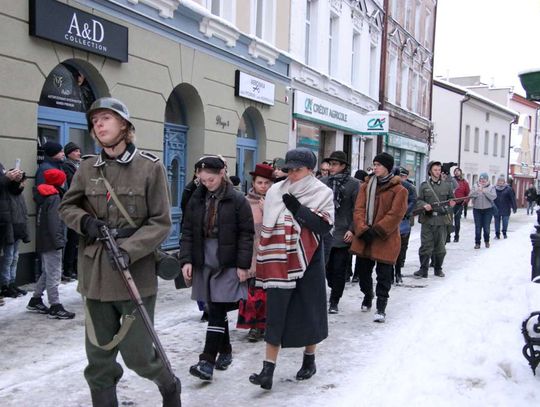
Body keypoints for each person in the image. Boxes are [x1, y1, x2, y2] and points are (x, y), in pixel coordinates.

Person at [58, 97, 181, 406]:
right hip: (96, 274)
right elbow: (67, 206)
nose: (98, 125)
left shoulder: (150, 168)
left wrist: (129, 249)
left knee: (139, 356)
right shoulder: (87, 167)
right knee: (98, 360)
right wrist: (84, 221)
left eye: (106, 119)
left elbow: (160, 222)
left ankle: (169, 384)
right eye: (95, 121)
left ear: (125, 126)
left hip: (133, 273)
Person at [249, 147, 334, 390]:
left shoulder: (322, 192)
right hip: (277, 259)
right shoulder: (277, 189)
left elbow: (323, 226)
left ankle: (309, 360)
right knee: (276, 312)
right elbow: (268, 223)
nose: (293, 173)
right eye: (290, 169)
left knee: (309, 309)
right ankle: (267, 370)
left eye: (298, 169)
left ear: (311, 170)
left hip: (309, 258)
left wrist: (297, 209)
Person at [179, 155, 254, 382]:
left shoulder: (238, 200)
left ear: (222, 173)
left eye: (210, 179)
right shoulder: (196, 198)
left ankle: (207, 361)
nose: (206, 183)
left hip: (227, 259)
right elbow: (188, 231)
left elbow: (246, 234)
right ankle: (227, 350)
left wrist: (243, 265)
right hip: (203, 256)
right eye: (202, 180)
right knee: (213, 307)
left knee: (218, 307)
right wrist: (186, 260)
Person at [350, 153, 407, 323]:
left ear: (387, 167)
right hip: (365, 236)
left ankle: (381, 306)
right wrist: (362, 228)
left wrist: (377, 230)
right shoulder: (366, 186)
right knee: (363, 273)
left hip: (385, 238)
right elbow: (358, 209)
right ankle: (368, 294)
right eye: (374, 164)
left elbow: (396, 214)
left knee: (384, 275)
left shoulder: (399, 190)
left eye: (379, 165)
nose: (375, 168)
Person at [26, 168, 74, 318]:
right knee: (54, 273)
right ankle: (55, 305)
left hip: (45, 239)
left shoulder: (45, 195)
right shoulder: (54, 197)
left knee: (48, 271)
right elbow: (54, 222)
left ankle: (35, 299)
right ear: (59, 181)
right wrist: (59, 240)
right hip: (52, 241)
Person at [237, 163, 274, 342]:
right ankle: (254, 326)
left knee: (269, 293)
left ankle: (269, 325)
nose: (263, 186)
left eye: (267, 183)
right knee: (252, 293)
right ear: (253, 182)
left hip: (271, 253)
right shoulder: (245, 201)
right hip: (251, 254)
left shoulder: (278, 200)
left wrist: (267, 210)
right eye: (260, 182)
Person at [319, 151, 359, 314]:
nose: (331, 167)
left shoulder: (354, 184)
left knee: (339, 269)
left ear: (343, 166)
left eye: (335, 164)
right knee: (326, 269)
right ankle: (332, 287)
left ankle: (334, 300)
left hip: (343, 233)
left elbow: (358, 210)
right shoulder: (322, 182)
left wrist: (352, 229)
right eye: (330, 164)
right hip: (325, 232)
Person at [414, 161, 456, 278]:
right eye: (435, 170)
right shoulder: (424, 186)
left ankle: (438, 269)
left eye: (439, 170)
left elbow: (452, 200)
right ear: (430, 171)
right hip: (427, 220)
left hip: (441, 220)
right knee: (425, 246)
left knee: (440, 247)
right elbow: (419, 200)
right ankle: (423, 269)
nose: (438, 172)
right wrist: (424, 205)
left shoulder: (447, 185)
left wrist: (451, 205)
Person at [1, 162, 29, 298]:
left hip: (17, 226)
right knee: (9, 257)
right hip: (9, 226)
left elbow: (22, 211)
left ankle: (12, 283)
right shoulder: (7, 192)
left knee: (14, 257)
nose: (23, 184)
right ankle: (5, 284)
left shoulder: (17, 193)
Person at [62, 141, 82, 281]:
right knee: (72, 239)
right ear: (69, 153)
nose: (79, 153)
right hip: (73, 207)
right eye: (76, 151)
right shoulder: (67, 166)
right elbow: (73, 184)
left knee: (78, 240)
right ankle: (68, 268)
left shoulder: (78, 165)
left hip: (81, 206)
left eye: (79, 151)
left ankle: (76, 266)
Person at [394, 167, 417, 285]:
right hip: (389, 222)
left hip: (402, 222)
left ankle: (398, 271)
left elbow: (413, 200)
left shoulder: (408, 187)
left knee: (401, 248)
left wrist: (403, 212)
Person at [470, 172, 497, 249]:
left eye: (484, 180)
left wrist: (484, 191)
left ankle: (487, 241)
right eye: (481, 180)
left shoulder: (491, 187)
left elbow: (493, 197)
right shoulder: (475, 186)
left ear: (487, 180)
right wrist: (477, 191)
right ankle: (477, 243)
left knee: (486, 227)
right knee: (478, 227)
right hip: (477, 209)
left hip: (488, 209)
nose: (482, 181)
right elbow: (470, 195)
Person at [452, 167, 470, 242]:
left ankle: (456, 236)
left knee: (457, 220)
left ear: (461, 172)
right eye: (455, 171)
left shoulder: (464, 182)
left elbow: (468, 193)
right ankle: (448, 236)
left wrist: (465, 201)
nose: (456, 172)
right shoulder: (451, 181)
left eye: (458, 171)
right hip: (451, 203)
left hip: (459, 204)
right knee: (448, 220)